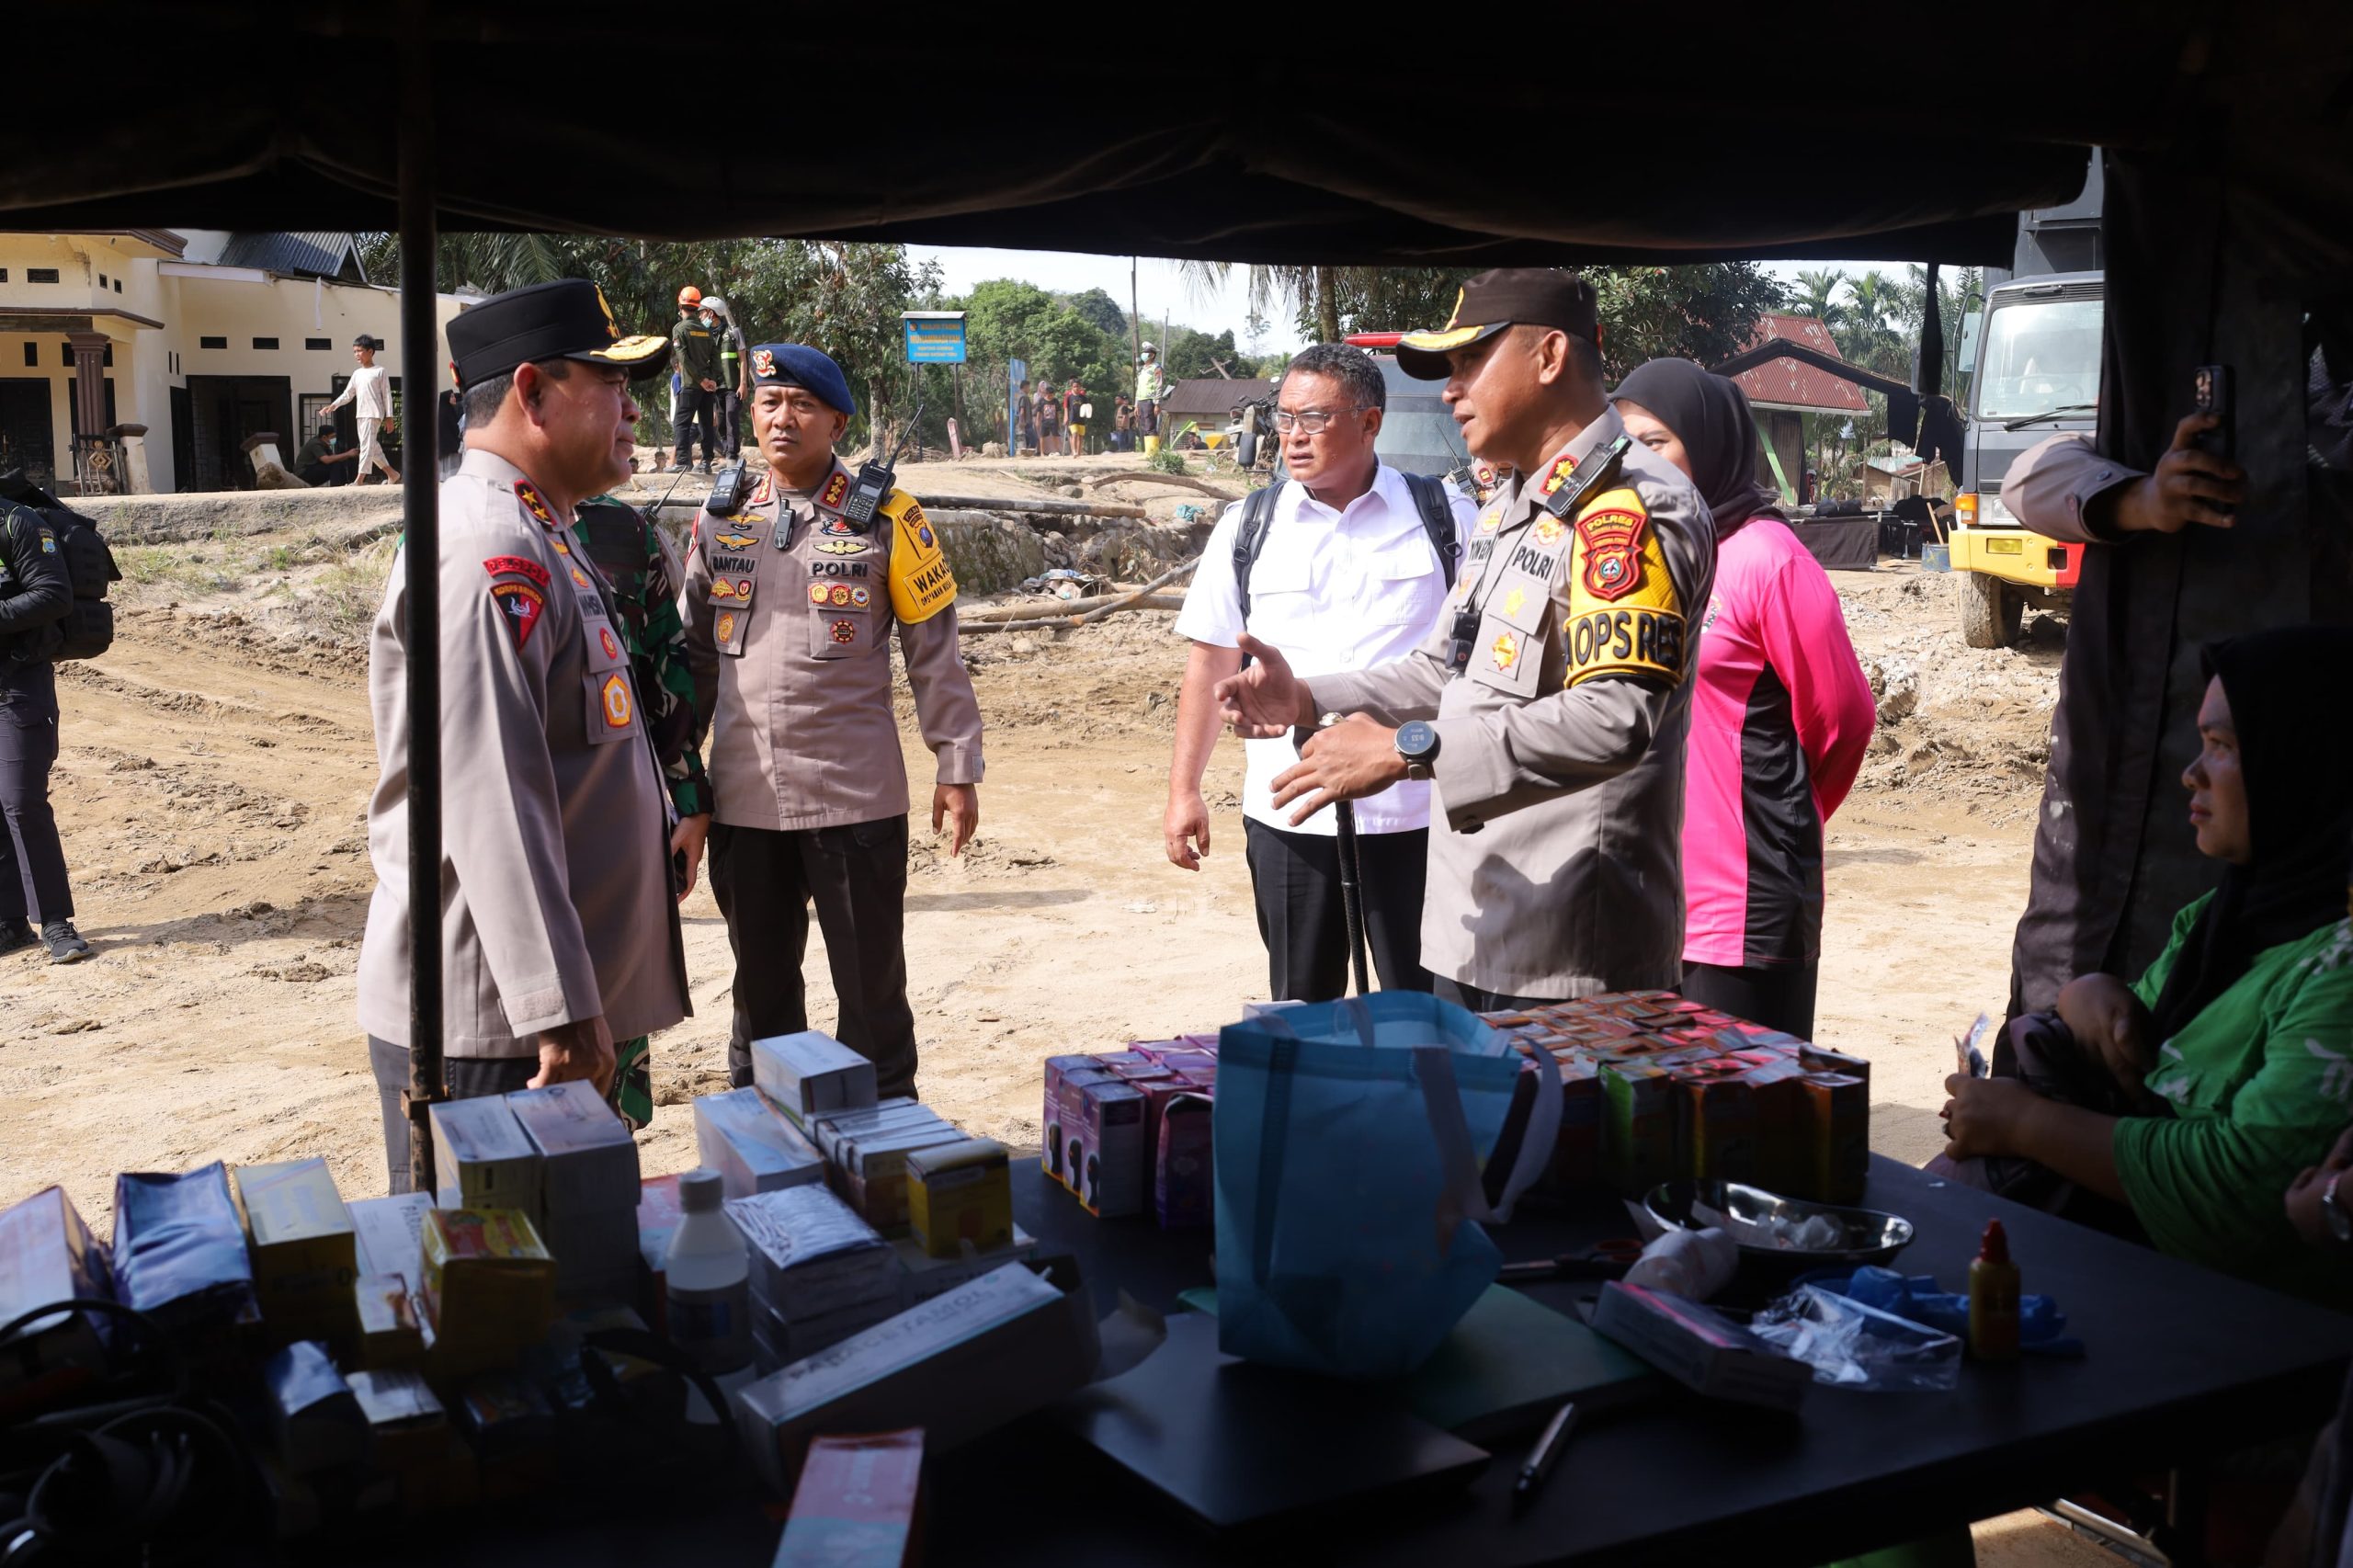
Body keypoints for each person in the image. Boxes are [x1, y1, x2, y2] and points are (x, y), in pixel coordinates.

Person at [1215, 268, 1714, 1010]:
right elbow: (1446, 670)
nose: (1452, 390)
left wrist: (1403, 749)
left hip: (1567, 947)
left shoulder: (1628, 508)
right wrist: (1310, 696)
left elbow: (1613, 719)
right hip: (1474, 920)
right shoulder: (1515, 498)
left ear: (1549, 358)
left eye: (1469, 362)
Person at [357, 278, 687, 1193]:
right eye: (611, 384)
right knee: (493, 1295)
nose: (632, 409)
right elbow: (493, 791)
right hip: (497, 1029)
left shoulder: (544, 528)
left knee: (560, 1290)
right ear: (532, 392)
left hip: (538, 1015)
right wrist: (559, 1011)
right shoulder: (484, 543)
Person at [1938, 624, 2353, 1308]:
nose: (2191, 772)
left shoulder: (2337, 970)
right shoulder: (2217, 924)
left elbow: (2248, 1193)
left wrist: (2027, 1127)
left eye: (2222, 747)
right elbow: (2140, 1058)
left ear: (2302, 763)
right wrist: (2085, 997)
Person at [682, 342, 983, 1101]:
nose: (783, 419)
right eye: (769, 404)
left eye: (802, 405)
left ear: (837, 421)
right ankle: (768, 1153)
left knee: (872, 1001)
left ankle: (880, 1162)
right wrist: (681, 786)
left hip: (853, 800)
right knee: (761, 1000)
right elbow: (689, 664)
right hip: (744, 802)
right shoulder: (720, 520)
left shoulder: (890, 515)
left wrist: (956, 763)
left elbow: (934, 650)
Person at [1167, 343, 1474, 1001]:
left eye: (1313, 418)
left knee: (1426, 1014)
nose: (1292, 437)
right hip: (1290, 817)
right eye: (1282, 419)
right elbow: (1210, 663)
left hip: (1418, 814)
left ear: (1370, 423)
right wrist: (1183, 791)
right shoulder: (1246, 528)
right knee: (1301, 1015)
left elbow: (1475, 663)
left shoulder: (1448, 518)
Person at [1610, 358, 1876, 1039]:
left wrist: (1783, 813)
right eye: (1623, 442)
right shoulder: (1633, 561)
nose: (1634, 462)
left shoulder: (1768, 559)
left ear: (1709, 444)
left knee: (1747, 1120)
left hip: (1743, 899)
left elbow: (1843, 718)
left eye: (1656, 442)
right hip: (1645, 894)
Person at [569, 489, 713, 1131]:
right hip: (511, 845)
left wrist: (689, 798)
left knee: (610, 1055)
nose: (627, 408)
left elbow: (662, 669)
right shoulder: (451, 530)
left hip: (615, 839)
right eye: (607, 384)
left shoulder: (622, 530)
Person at [0, 494, 90, 963]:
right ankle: (9, 923)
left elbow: (53, 594)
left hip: (17, 683)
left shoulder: (18, 522)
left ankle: (54, 921)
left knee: (20, 801)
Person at [324, 334, 399, 485]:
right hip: (361, 414)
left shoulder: (380, 371)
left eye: (359, 351)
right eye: (354, 351)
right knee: (372, 447)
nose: (356, 354)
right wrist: (334, 405)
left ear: (370, 352)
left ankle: (359, 480)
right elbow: (348, 394)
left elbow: (387, 395)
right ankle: (393, 474)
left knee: (365, 446)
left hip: (374, 414)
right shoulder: (357, 374)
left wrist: (389, 417)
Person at [669, 285, 721, 472]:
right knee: (706, 424)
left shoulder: (679, 329)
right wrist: (711, 379)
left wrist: (700, 380)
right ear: (697, 306)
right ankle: (706, 463)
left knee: (681, 423)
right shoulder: (706, 330)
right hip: (708, 387)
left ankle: (683, 462)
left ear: (680, 306)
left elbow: (683, 358)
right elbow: (715, 356)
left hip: (692, 385)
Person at [702, 296, 747, 464]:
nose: (700, 316)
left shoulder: (733, 332)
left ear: (711, 313)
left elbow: (743, 359)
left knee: (731, 416)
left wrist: (743, 383)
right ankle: (727, 451)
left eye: (702, 312)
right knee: (720, 422)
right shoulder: (705, 335)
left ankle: (732, 456)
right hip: (715, 386)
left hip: (732, 385)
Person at [293, 415, 358, 487]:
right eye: (332, 437)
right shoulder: (315, 444)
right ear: (324, 437)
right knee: (335, 465)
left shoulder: (324, 443)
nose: (334, 439)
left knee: (339, 463)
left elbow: (333, 458)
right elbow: (326, 460)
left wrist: (351, 454)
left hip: (311, 470)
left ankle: (345, 484)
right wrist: (347, 454)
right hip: (303, 474)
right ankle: (337, 487)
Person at [1135, 344, 1165, 457]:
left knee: (1150, 425)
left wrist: (1157, 403)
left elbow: (1159, 385)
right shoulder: (1142, 369)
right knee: (1144, 426)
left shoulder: (1156, 368)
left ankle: (1153, 453)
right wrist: (1136, 404)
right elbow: (1139, 387)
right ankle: (1148, 452)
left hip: (1150, 400)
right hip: (1141, 400)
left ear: (1152, 355)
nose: (1143, 354)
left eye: (1146, 352)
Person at [1038, 379, 1063, 457]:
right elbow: (1039, 412)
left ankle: (1057, 451)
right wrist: (1037, 421)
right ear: (1046, 394)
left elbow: (1058, 412)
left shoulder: (1055, 401)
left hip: (1054, 422)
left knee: (1055, 435)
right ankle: (1042, 452)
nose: (1051, 396)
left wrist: (1059, 422)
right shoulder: (1041, 401)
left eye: (1052, 395)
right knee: (1042, 436)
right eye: (1049, 395)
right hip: (1045, 422)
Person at [1064, 379, 1088, 457]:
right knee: (1074, 434)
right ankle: (1074, 451)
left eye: (1078, 386)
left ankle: (1079, 452)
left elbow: (1087, 407)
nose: (1076, 388)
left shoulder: (1083, 397)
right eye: (1074, 386)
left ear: (1080, 387)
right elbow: (1066, 407)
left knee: (1081, 436)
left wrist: (1087, 415)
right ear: (1072, 387)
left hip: (1081, 419)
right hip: (1072, 419)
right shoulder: (1069, 397)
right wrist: (1066, 416)